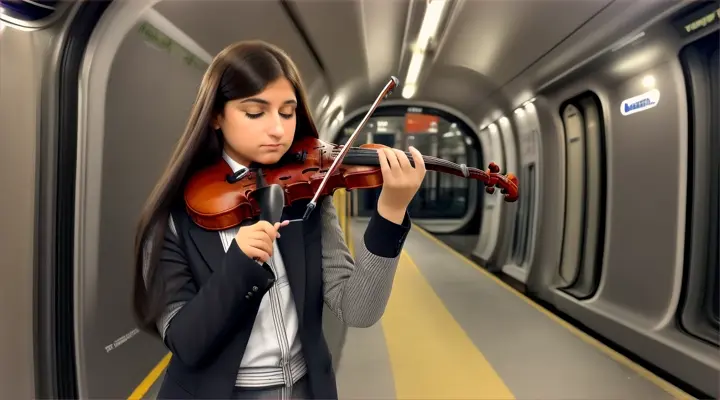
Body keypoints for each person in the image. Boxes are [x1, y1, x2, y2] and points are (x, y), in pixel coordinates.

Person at [132, 40, 426, 400]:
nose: (277, 130)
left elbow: (358, 309)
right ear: (215, 116)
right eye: (255, 113)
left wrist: (391, 214)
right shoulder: (176, 216)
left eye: (287, 113)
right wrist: (238, 265)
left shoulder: (307, 197)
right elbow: (186, 343)